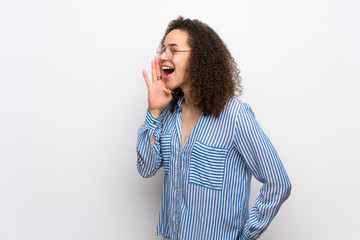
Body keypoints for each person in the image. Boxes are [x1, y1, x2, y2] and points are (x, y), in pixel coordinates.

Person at [136, 16, 291, 240]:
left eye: (173, 50)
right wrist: (154, 111)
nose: (163, 56)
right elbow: (146, 167)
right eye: (163, 49)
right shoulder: (169, 113)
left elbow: (278, 182)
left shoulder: (234, 115)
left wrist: (246, 236)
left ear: (198, 59)